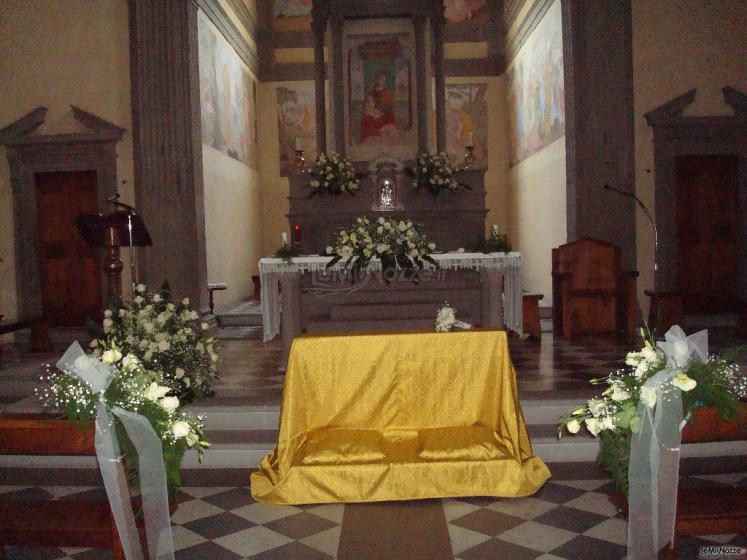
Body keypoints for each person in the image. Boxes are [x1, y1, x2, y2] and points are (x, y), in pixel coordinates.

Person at [360, 72, 396, 143]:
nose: (382, 81)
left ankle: (382, 136)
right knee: (367, 121)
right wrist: (370, 111)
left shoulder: (388, 93)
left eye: (384, 80)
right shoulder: (371, 92)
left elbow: (389, 107)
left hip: (384, 116)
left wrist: (380, 111)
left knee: (389, 118)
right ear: (376, 80)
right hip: (373, 114)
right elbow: (366, 105)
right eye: (381, 79)